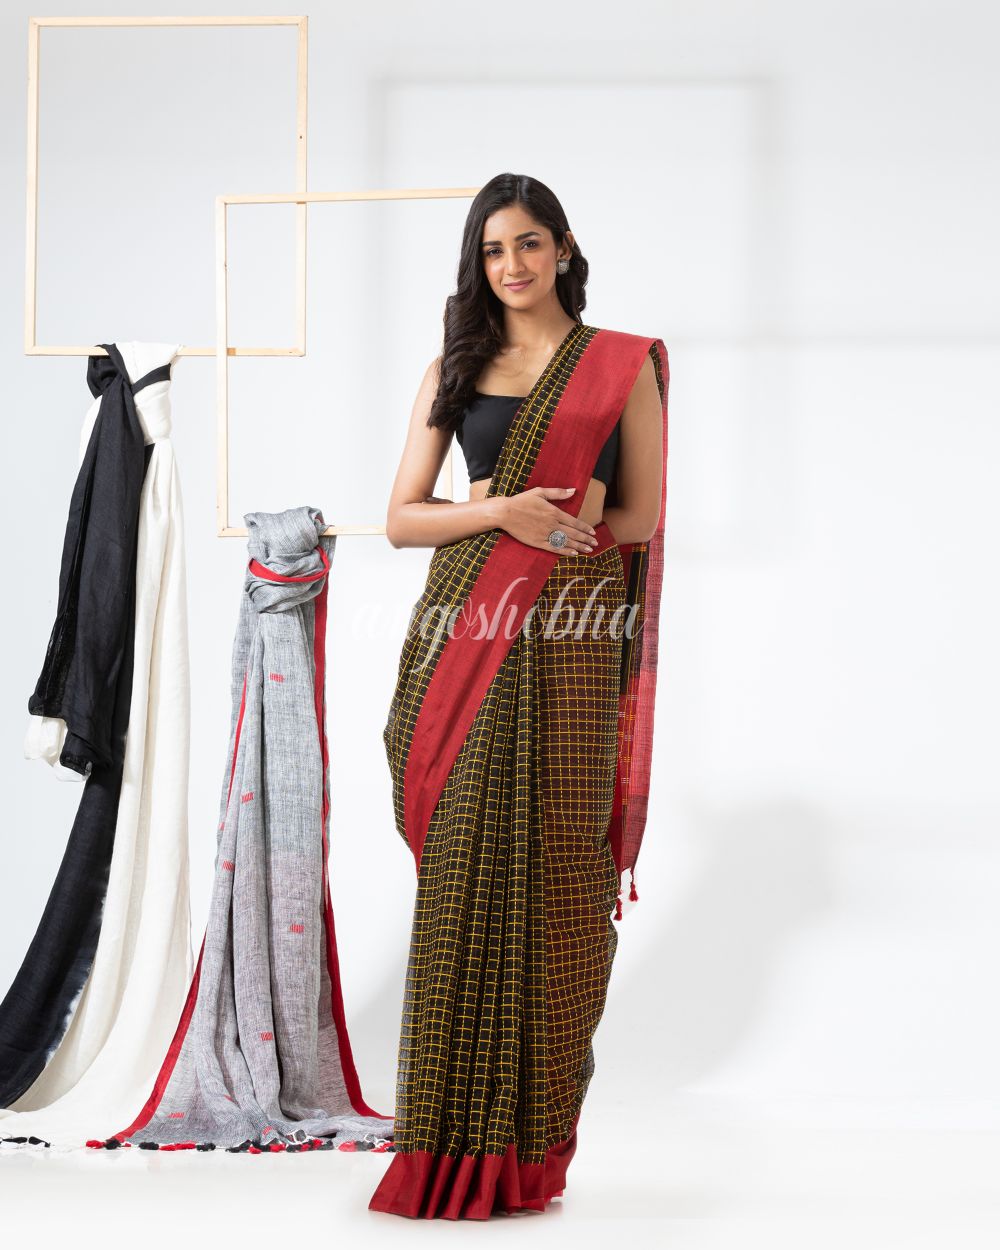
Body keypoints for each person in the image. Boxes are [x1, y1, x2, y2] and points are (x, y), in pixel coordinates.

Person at [369, 171, 669, 1220]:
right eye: (494, 249)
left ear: (564, 248)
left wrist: (568, 523)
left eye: (530, 243)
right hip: (468, 628)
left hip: (572, 638)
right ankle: (442, 1149)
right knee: (463, 871)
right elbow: (402, 518)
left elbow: (639, 518)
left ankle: (527, 1154)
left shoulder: (620, 366)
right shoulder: (455, 368)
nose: (513, 265)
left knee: (557, 881)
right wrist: (501, 510)